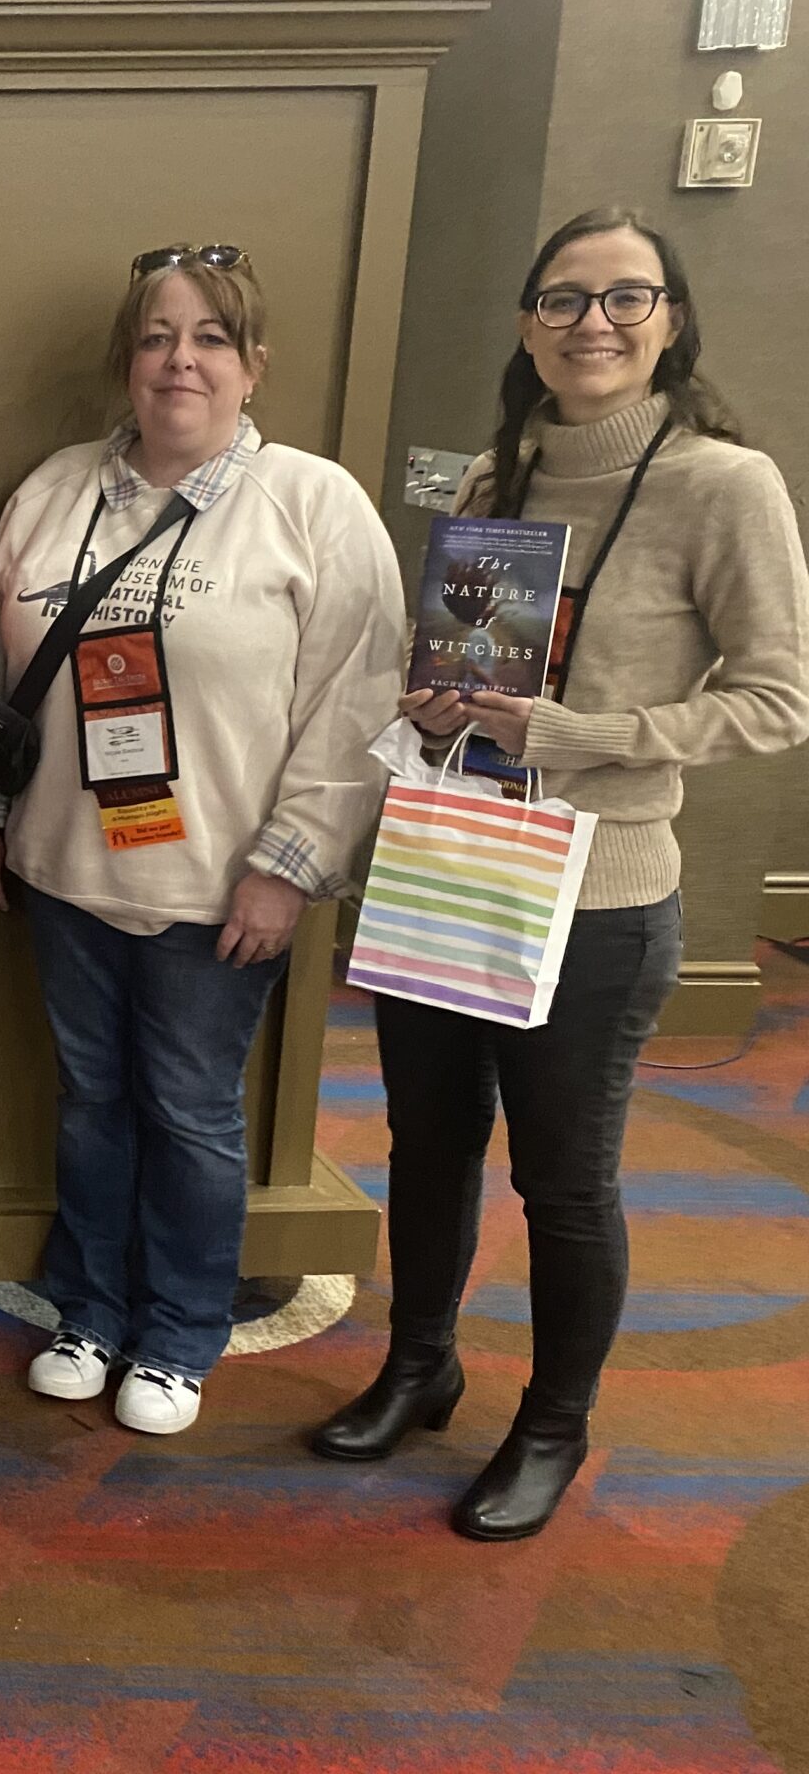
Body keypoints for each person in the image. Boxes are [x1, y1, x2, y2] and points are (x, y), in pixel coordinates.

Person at [310, 207, 809, 1536]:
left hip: (598, 891)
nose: (594, 323)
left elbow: (778, 699)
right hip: (453, 860)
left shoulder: (723, 484)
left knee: (564, 1183)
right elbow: (465, 658)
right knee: (428, 1145)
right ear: (528, 325)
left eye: (624, 297)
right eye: (564, 299)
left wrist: (590, 738)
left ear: (671, 319)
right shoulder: (497, 477)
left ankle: (552, 1424)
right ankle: (419, 1367)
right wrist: (430, 696)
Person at [0, 244, 402, 1435]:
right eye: (154, 337)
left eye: (208, 339)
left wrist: (288, 868)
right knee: (89, 1100)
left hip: (218, 890)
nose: (178, 361)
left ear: (252, 365)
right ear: (125, 361)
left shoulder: (312, 504)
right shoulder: (55, 491)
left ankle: (182, 1333)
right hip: (63, 869)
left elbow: (353, 706)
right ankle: (90, 1311)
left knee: (190, 1112)